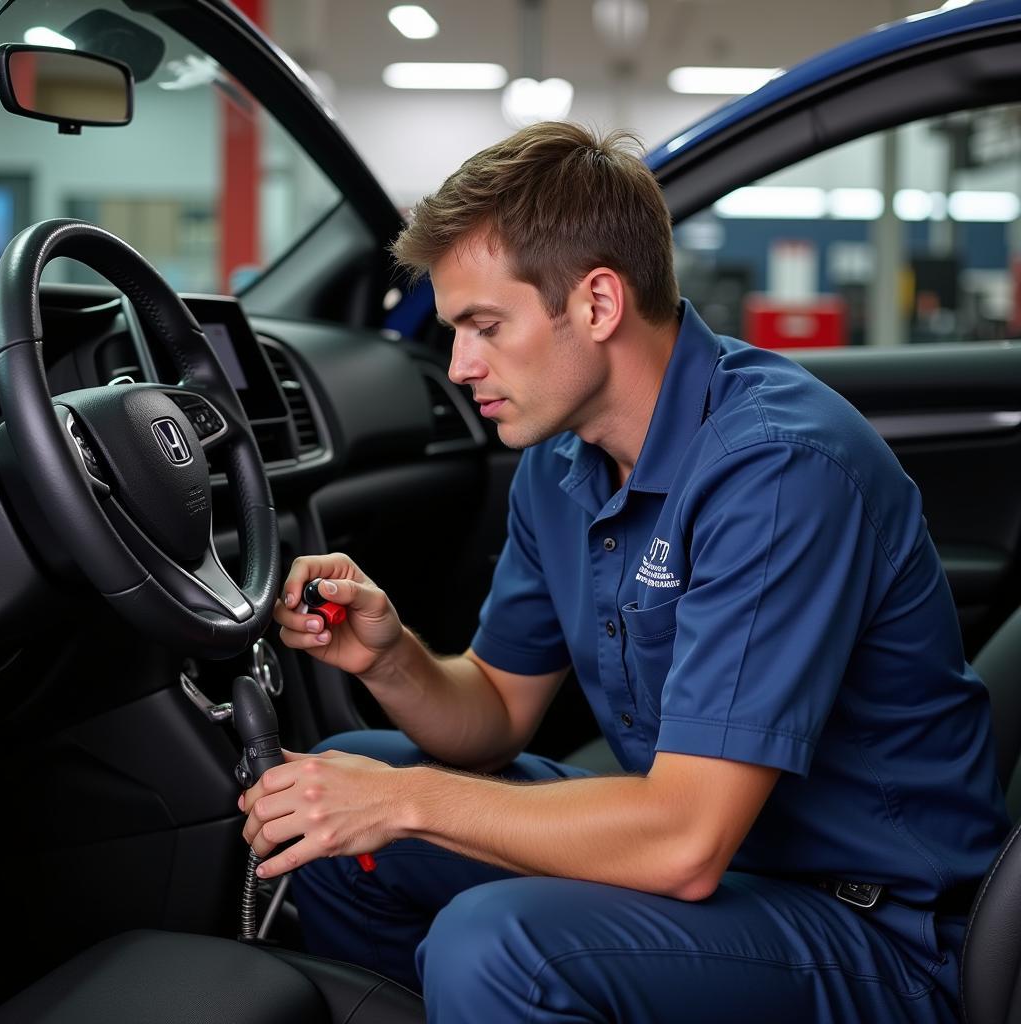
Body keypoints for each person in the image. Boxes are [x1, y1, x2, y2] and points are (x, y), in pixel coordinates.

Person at [240, 122, 1009, 1023]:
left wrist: (406, 803)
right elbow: (494, 713)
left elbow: (682, 840)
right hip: (718, 867)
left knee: (496, 947)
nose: (459, 365)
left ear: (598, 303)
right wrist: (391, 658)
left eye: (485, 326)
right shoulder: (562, 463)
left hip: (881, 931)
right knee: (330, 807)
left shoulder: (775, 470)